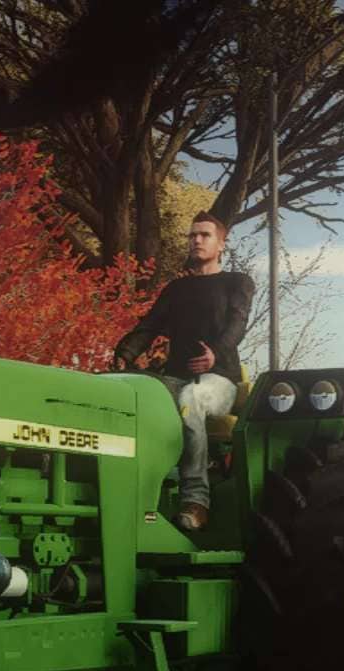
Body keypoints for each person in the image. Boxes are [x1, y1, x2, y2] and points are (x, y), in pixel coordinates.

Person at [111, 212, 254, 531]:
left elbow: (238, 322)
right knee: (134, 401)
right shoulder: (176, 289)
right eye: (192, 235)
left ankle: (196, 501)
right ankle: (136, 494)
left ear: (221, 244)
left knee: (191, 399)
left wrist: (215, 353)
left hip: (220, 381)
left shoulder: (237, 282)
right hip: (173, 379)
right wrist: (125, 354)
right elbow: (149, 326)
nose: (197, 240)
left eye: (205, 235)